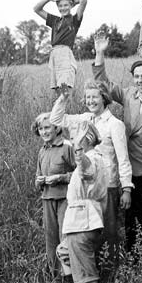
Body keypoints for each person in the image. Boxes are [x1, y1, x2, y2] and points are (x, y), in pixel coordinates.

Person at [92, 33, 142, 252]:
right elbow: (103, 84)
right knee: (131, 219)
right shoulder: (129, 95)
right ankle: (133, 258)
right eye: (136, 77)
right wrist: (100, 53)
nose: (140, 80)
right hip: (127, 166)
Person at [49, 79, 132, 254]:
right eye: (87, 97)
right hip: (85, 188)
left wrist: (126, 189)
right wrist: (63, 98)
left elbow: (123, 159)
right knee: (90, 232)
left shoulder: (114, 124)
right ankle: (96, 273)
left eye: (94, 97)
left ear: (104, 98)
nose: (90, 101)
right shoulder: (84, 119)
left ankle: (112, 274)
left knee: (109, 232)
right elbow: (56, 119)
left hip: (107, 186)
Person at [58, 122, 109, 283]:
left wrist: (79, 152)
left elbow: (85, 168)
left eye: (78, 137)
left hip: (83, 221)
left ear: (86, 140)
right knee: (63, 253)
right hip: (80, 220)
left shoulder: (92, 159)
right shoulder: (94, 158)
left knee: (88, 276)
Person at [33, 112, 75, 276]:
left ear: (57, 128)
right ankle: (56, 278)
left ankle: (71, 278)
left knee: (64, 238)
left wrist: (61, 178)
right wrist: (40, 181)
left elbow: (80, 174)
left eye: (47, 128)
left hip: (65, 199)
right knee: (51, 240)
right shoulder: (42, 151)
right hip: (47, 199)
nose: (44, 132)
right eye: (41, 128)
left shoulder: (67, 147)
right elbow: (37, 177)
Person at [33, 0, 87, 94]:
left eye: (66, 5)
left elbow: (84, 0)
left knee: (65, 89)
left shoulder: (75, 20)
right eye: (60, 6)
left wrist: (73, 3)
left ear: (71, 5)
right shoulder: (55, 20)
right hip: (54, 55)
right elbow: (36, 9)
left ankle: (66, 108)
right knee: (57, 91)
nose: (63, 8)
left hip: (65, 55)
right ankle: (60, 110)